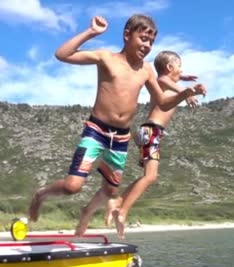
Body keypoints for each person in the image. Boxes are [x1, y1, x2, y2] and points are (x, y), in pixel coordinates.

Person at [27, 15, 207, 236]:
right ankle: (41, 195)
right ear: (126, 35)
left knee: (111, 190)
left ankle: (84, 222)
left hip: (120, 138)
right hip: (96, 130)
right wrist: (91, 32)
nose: (147, 46)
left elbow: (162, 101)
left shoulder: (146, 70)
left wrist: (185, 93)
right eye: (143, 39)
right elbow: (62, 54)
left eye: (151, 42)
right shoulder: (106, 58)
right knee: (72, 187)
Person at [106, 51, 199, 238]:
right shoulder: (162, 80)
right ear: (169, 68)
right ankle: (122, 211)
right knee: (150, 176)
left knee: (147, 176)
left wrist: (182, 77)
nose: (182, 70)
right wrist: (186, 92)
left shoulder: (170, 81)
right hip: (151, 131)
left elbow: (173, 79)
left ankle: (118, 203)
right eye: (179, 66)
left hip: (150, 133)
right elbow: (166, 80)